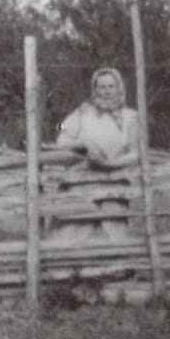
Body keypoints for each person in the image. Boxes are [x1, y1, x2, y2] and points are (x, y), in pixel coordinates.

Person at [54, 67, 140, 240]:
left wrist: (110, 164)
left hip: (115, 183)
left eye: (111, 87)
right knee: (72, 230)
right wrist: (83, 144)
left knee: (114, 232)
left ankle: (119, 265)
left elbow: (136, 153)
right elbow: (61, 140)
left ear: (119, 88)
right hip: (81, 181)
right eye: (101, 87)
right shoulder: (82, 112)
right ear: (95, 89)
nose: (107, 92)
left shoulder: (131, 117)